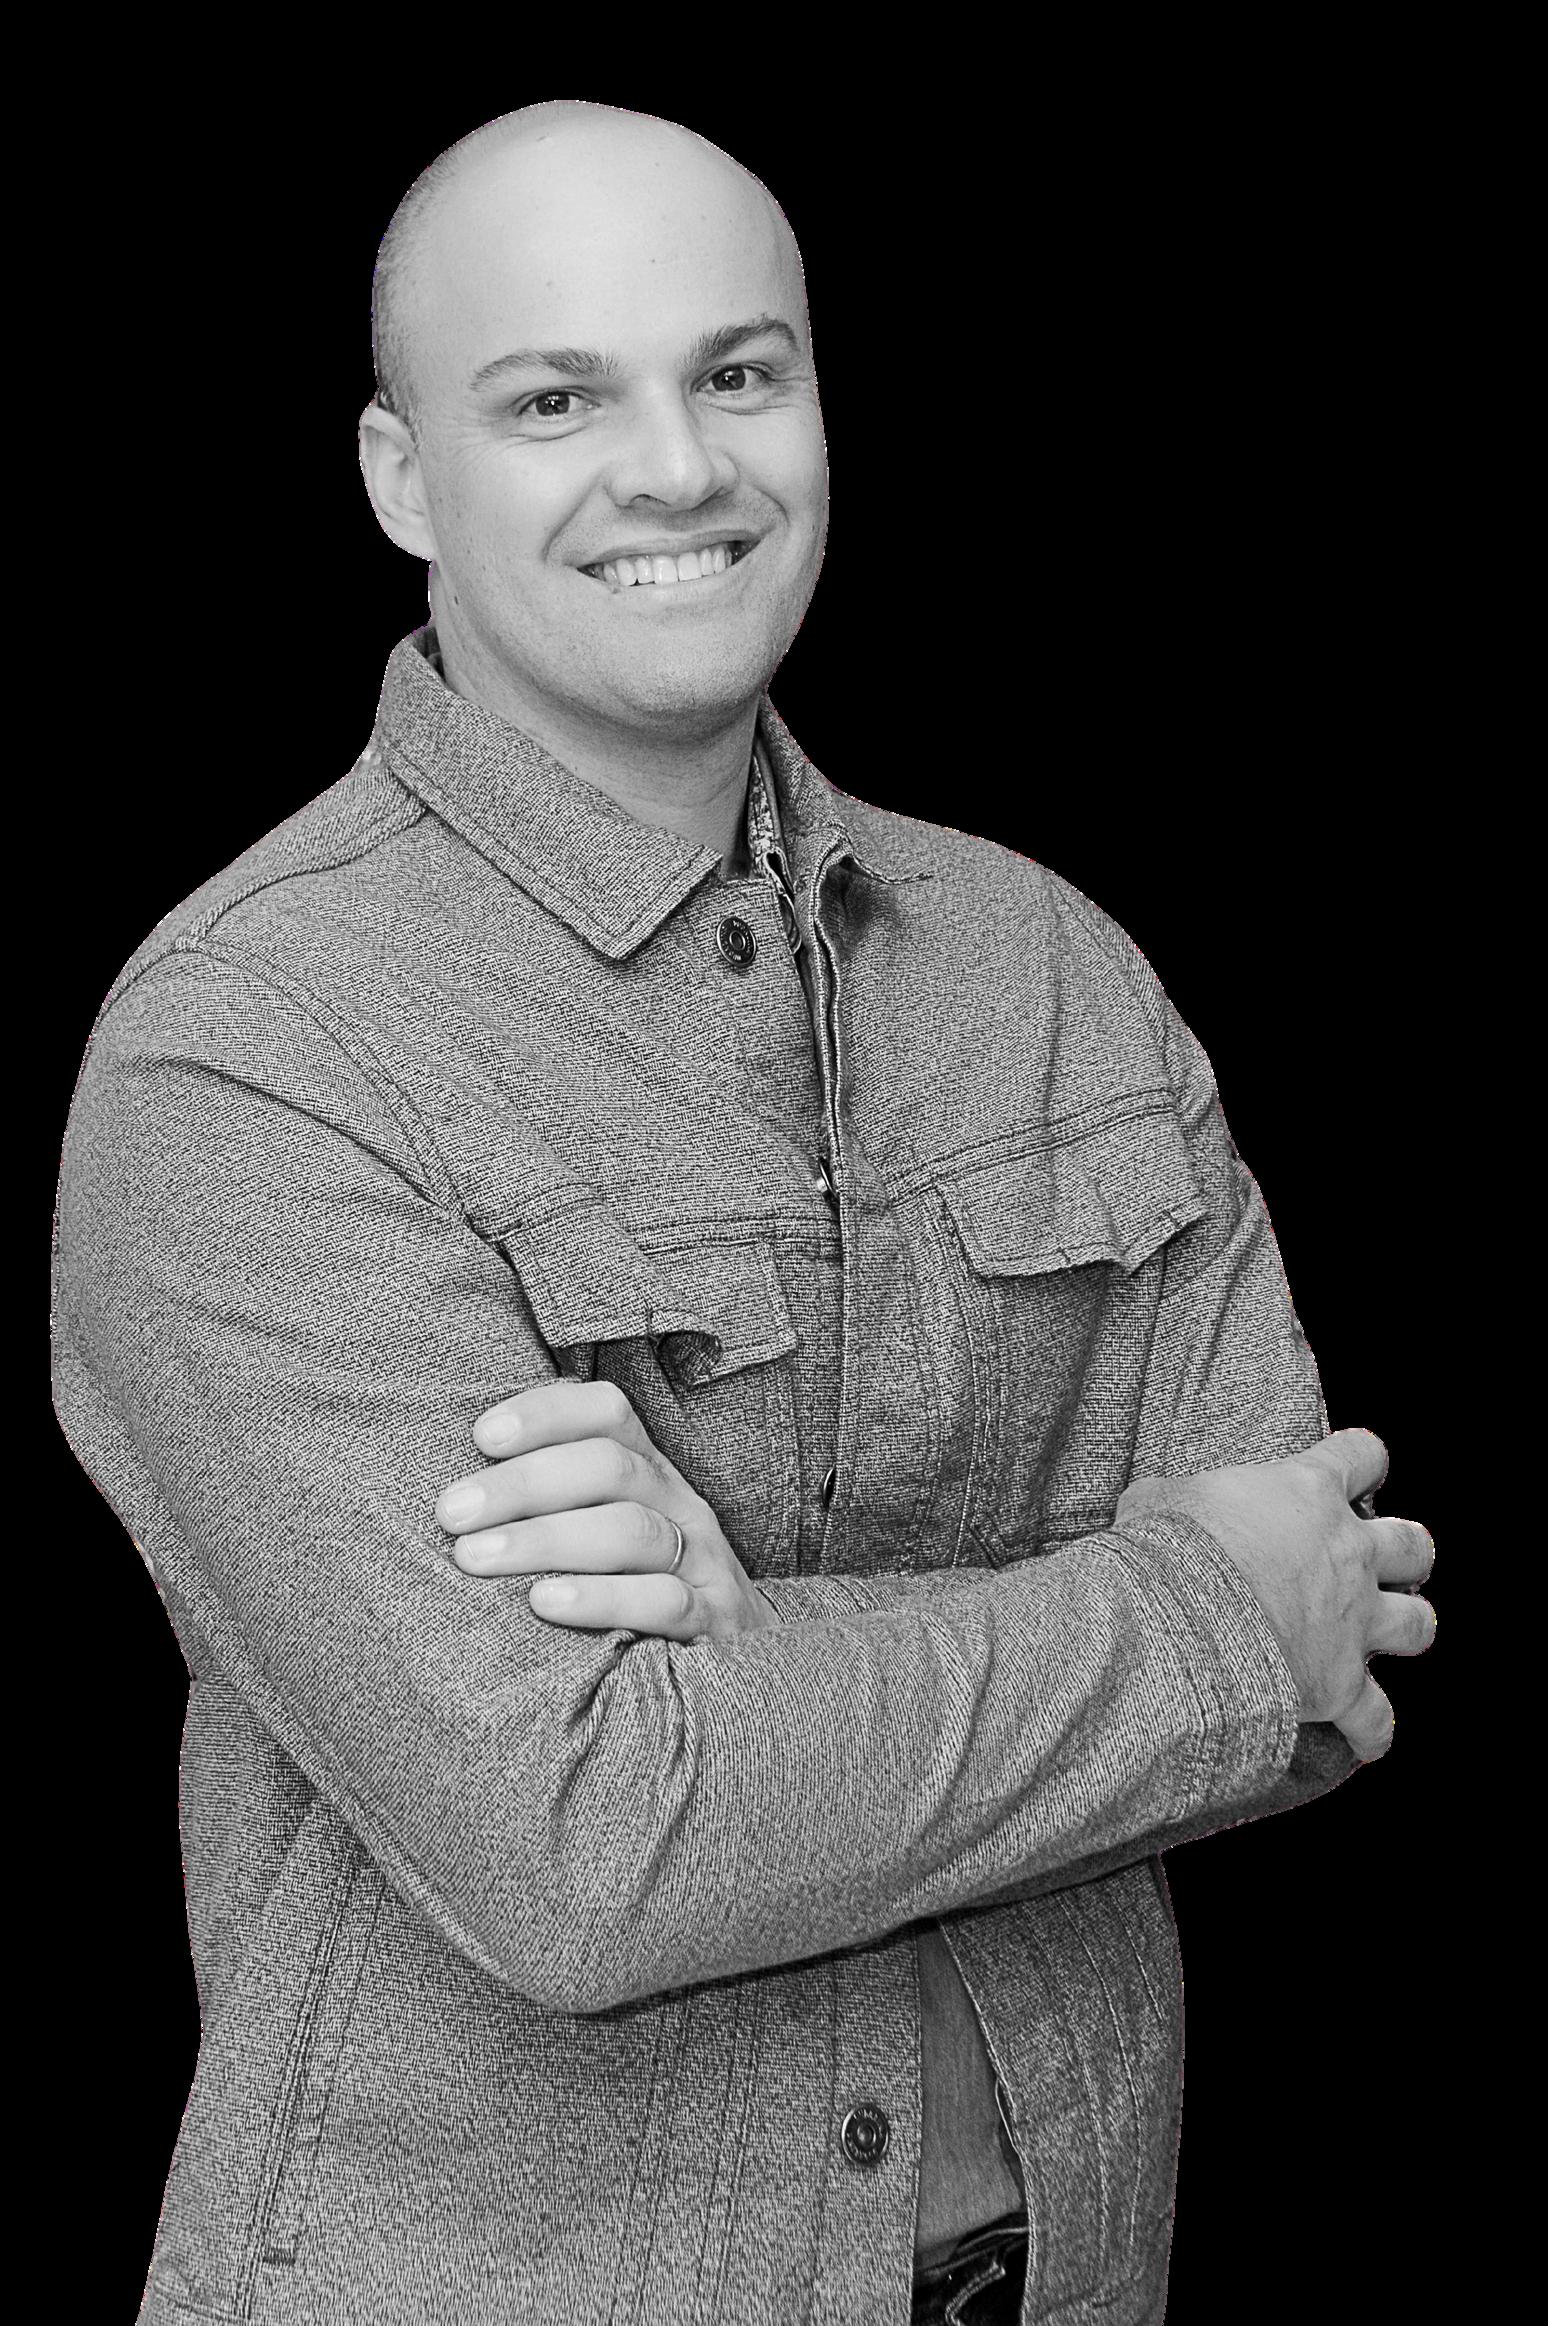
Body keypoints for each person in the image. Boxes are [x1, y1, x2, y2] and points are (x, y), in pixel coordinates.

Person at [50, 99, 1436, 2326]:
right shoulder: (251, 1054)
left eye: (738, 372)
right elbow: (588, 1846)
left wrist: (747, 1655)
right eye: (556, 400)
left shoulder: (1047, 968)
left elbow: (1329, 1662)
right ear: (404, 476)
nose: (677, 466)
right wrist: (1184, 1619)